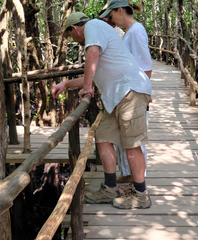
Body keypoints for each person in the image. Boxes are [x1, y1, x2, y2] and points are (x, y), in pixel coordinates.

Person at [51, 12, 152, 209]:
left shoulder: (93, 26)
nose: (74, 40)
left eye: (71, 36)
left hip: (129, 90)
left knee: (131, 144)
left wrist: (87, 87)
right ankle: (110, 187)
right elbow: (94, 74)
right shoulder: (97, 34)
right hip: (114, 96)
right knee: (103, 137)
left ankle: (141, 194)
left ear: (75, 28)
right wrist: (67, 83)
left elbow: (92, 57)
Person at [100, 0, 152, 184]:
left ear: (120, 11)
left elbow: (146, 66)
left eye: (112, 14)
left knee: (134, 141)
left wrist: (144, 91)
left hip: (135, 92)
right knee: (127, 139)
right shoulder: (128, 33)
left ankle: (138, 182)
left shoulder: (136, 31)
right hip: (128, 91)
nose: (111, 19)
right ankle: (130, 176)